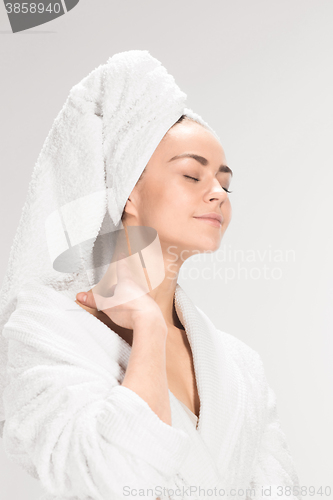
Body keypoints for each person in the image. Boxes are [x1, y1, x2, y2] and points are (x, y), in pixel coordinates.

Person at [0, 50, 301, 500]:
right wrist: (149, 329)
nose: (218, 193)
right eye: (192, 175)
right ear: (127, 193)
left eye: (224, 181)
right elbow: (116, 481)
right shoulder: (44, 332)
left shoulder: (241, 368)